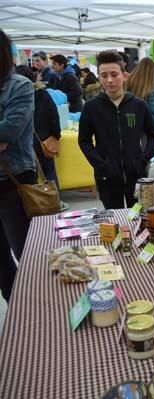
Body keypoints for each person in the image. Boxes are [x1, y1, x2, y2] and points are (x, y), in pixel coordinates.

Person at [78, 50, 154, 210]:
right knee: (113, 220)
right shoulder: (91, 107)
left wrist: (143, 160)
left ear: (124, 75)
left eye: (114, 74)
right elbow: (84, 140)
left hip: (136, 174)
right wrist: (101, 164)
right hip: (106, 175)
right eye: (104, 75)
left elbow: (153, 135)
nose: (110, 80)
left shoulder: (138, 105)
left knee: (138, 217)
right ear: (99, 77)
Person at [0, 29, 36, 301]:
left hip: (14, 181)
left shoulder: (19, 86)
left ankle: (39, 308)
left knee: (28, 253)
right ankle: (16, 311)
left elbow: (9, 132)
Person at [14, 65, 61, 188]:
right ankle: (54, 200)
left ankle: (36, 203)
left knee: (30, 176)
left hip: (23, 142)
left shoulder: (15, 97)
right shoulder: (43, 94)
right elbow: (54, 116)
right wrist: (55, 135)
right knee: (49, 173)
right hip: (44, 139)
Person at [126, 57, 154, 136]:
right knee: (149, 148)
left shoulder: (129, 81)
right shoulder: (152, 86)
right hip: (149, 126)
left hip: (131, 123)